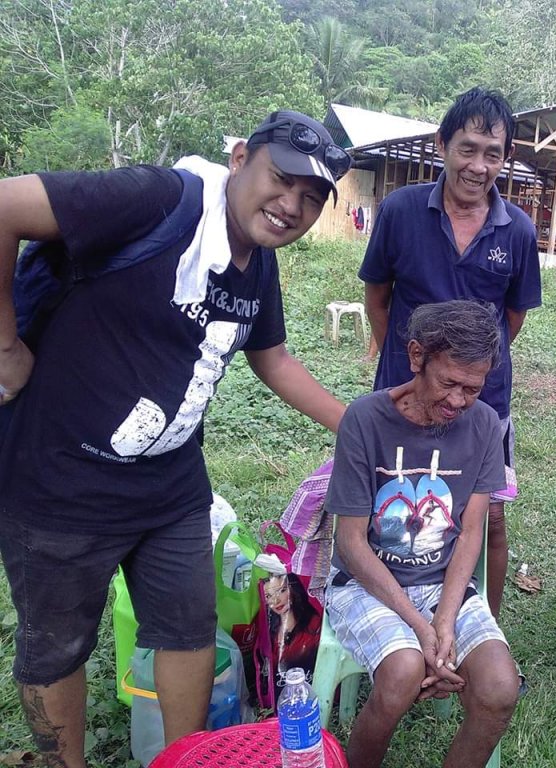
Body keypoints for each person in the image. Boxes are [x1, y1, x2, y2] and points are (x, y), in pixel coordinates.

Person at [0, 110, 350, 768]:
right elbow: (5, 204)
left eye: (311, 199)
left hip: (170, 487)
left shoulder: (257, 262)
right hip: (58, 479)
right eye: (282, 180)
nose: (290, 206)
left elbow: (271, 358)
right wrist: (4, 346)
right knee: (56, 645)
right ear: (242, 156)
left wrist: (357, 426)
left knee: (188, 628)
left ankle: (183, 760)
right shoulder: (159, 200)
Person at [360, 87, 542, 620]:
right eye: (467, 148)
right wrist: (411, 364)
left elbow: (512, 318)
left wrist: (466, 376)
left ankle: (481, 627)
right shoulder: (400, 210)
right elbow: (379, 299)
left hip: (482, 403)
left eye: (492, 153)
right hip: (404, 390)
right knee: (390, 508)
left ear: (504, 157)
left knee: (487, 519)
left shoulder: (521, 231)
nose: (478, 166)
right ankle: (388, 626)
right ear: (442, 145)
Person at [325, 300, 519, 768]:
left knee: (499, 688)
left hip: (443, 584)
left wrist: (445, 622)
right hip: (365, 585)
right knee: (402, 673)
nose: (457, 400)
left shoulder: (484, 425)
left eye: (472, 388)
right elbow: (350, 542)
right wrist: (419, 626)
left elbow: (470, 533)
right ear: (416, 357)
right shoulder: (365, 419)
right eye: (448, 382)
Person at [264, 572, 323, 706]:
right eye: (268, 596)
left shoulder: (314, 624)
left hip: (313, 695)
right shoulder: (269, 632)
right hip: (284, 699)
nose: (276, 601)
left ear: (293, 588)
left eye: (282, 591)